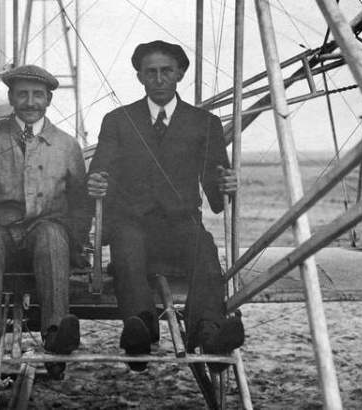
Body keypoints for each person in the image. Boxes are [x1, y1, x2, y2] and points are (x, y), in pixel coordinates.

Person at [87, 40, 244, 372]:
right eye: (151, 72)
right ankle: (140, 331)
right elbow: (99, 172)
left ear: (180, 74)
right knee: (126, 249)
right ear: (140, 77)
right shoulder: (118, 120)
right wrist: (96, 182)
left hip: (181, 224)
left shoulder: (205, 123)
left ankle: (209, 332)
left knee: (204, 250)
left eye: (166, 71)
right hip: (133, 224)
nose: (158, 79)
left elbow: (217, 195)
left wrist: (227, 186)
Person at [0, 64, 90, 379]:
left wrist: (77, 243)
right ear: (11, 98)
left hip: (47, 230)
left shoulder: (67, 146)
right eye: (22, 94)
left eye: (37, 94)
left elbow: (81, 203)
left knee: (53, 237)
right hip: (0, 230)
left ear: (48, 99)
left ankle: (56, 333)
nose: (30, 102)